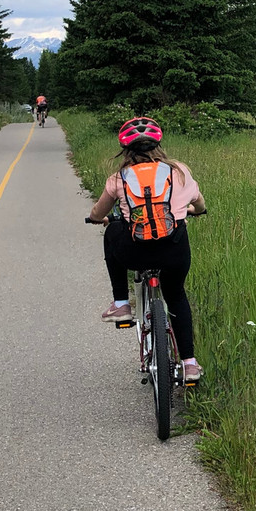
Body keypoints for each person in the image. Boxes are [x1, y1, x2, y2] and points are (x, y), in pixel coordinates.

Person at [86, 117, 206, 382]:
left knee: (112, 231)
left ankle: (121, 304)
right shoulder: (179, 171)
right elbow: (199, 203)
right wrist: (193, 210)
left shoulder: (118, 178)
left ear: (126, 150)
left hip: (135, 252)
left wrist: (98, 218)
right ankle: (189, 364)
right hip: (174, 251)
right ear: (158, 145)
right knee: (175, 295)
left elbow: (98, 212)